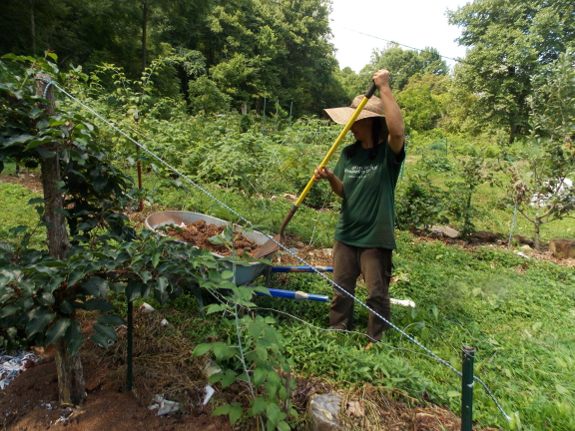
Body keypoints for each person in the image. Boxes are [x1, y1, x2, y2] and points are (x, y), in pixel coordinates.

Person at [314, 69, 405, 348]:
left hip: (374, 237)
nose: (350, 127)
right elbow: (344, 192)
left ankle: (374, 340)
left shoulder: (388, 155)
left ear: (372, 123)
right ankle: (338, 331)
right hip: (346, 233)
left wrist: (385, 88)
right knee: (341, 289)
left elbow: (398, 130)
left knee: (376, 293)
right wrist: (331, 177)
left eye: (356, 121)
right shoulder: (349, 153)